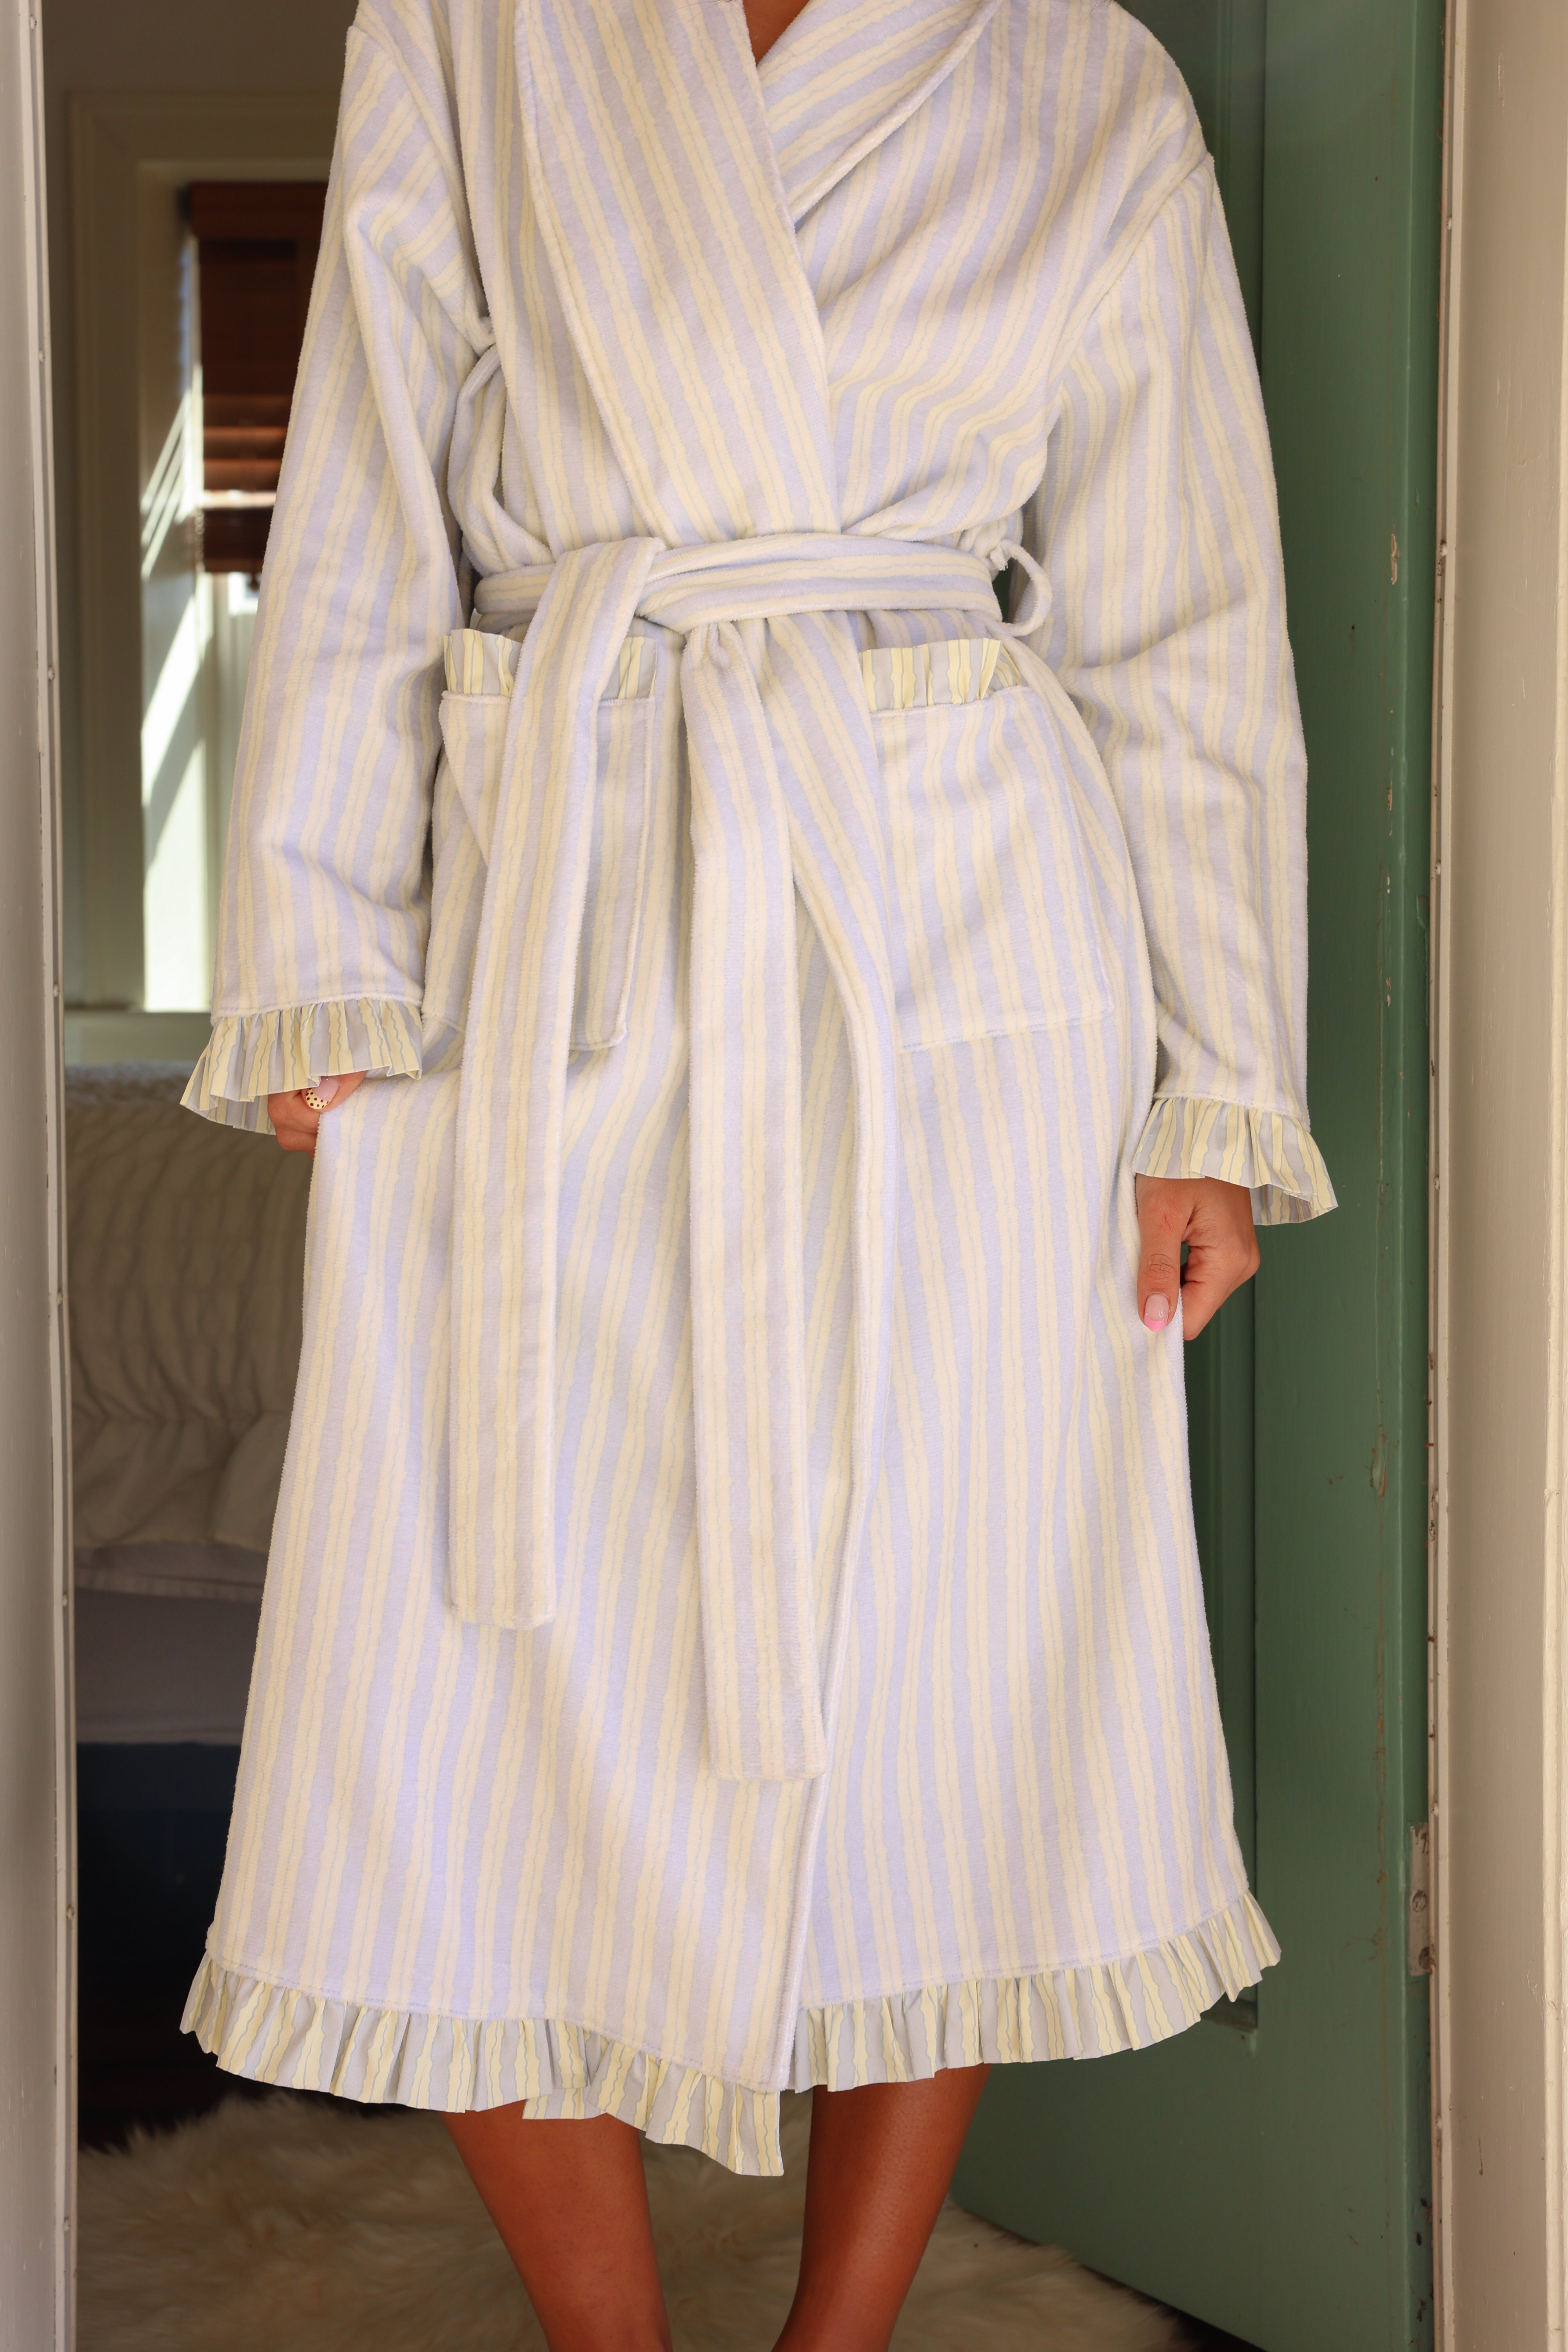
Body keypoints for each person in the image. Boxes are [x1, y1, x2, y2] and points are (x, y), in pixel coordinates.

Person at [180, 0, 1336, 2341]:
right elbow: (373, 478)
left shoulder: (1080, 75)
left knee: (959, 1668)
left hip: (965, 954)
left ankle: (844, 2340)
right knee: (466, 1677)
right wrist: (314, 940)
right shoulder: (478, 24)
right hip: (550, 929)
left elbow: (1180, 610)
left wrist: (1216, 1078)